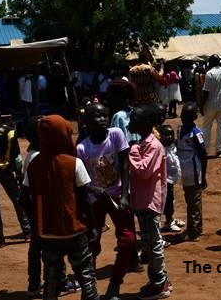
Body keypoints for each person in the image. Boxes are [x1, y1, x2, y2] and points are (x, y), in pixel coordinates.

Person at [23, 115, 99, 300]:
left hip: (48, 232)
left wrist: (38, 219)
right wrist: (92, 226)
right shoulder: (73, 163)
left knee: (51, 278)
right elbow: (84, 199)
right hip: (74, 229)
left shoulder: (33, 164)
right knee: (86, 276)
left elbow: (23, 199)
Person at [76, 102, 134, 300]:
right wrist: (94, 189)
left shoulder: (116, 134)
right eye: (96, 117)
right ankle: (89, 288)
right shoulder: (82, 148)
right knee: (92, 243)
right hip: (95, 200)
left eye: (104, 115)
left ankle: (115, 284)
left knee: (127, 240)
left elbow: (125, 165)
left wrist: (125, 195)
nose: (102, 120)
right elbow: (81, 182)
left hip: (117, 195)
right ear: (86, 123)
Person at [128, 105, 172, 299]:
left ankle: (159, 283)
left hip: (149, 202)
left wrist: (132, 151)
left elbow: (144, 170)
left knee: (153, 242)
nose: (130, 123)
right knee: (148, 241)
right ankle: (158, 278)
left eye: (134, 120)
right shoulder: (144, 144)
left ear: (146, 123)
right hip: (142, 200)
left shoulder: (152, 145)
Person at [0, 102, 32, 247]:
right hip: (7, 170)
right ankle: (27, 232)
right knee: (18, 201)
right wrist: (19, 172)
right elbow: (16, 157)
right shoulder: (9, 131)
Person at [176, 103, 207, 241]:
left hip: (194, 171)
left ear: (194, 117)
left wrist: (204, 176)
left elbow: (203, 155)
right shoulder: (180, 129)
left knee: (194, 201)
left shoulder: (197, 133)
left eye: (187, 116)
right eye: (183, 115)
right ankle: (196, 227)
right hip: (185, 170)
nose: (184, 118)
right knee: (190, 200)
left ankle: (193, 230)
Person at [200, 56, 221, 158]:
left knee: (207, 126)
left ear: (211, 62)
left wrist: (201, 104)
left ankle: (205, 149)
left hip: (211, 103)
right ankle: (220, 150)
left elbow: (206, 91)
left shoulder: (209, 73)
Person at [158, 125, 184, 233]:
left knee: (170, 200)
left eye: (171, 135)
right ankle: (168, 223)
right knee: (166, 202)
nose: (169, 137)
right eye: (166, 135)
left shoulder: (173, 146)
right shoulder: (160, 149)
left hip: (171, 179)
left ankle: (171, 219)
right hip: (164, 181)